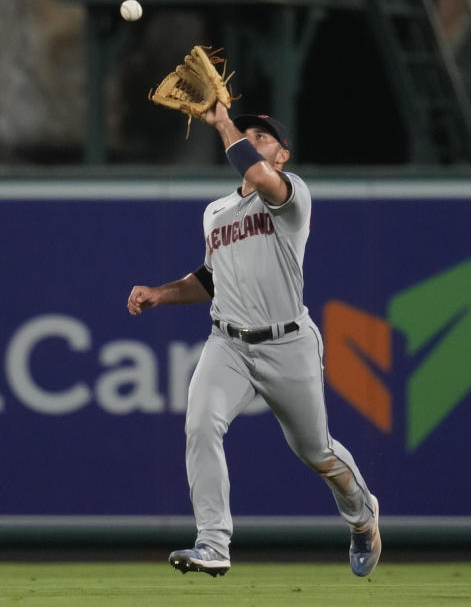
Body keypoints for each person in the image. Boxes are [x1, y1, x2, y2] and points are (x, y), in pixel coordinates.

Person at [126, 100, 381, 578]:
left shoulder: (292, 194)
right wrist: (161, 292)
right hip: (228, 343)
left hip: (288, 345)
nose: (249, 139)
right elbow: (209, 278)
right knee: (200, 425)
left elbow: (259, 176)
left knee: (316, 452)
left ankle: (363, 515)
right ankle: (213, 542)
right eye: (246, 133)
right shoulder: (216, 212)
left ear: (282, 155)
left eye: (262, 137)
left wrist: (224, 123)